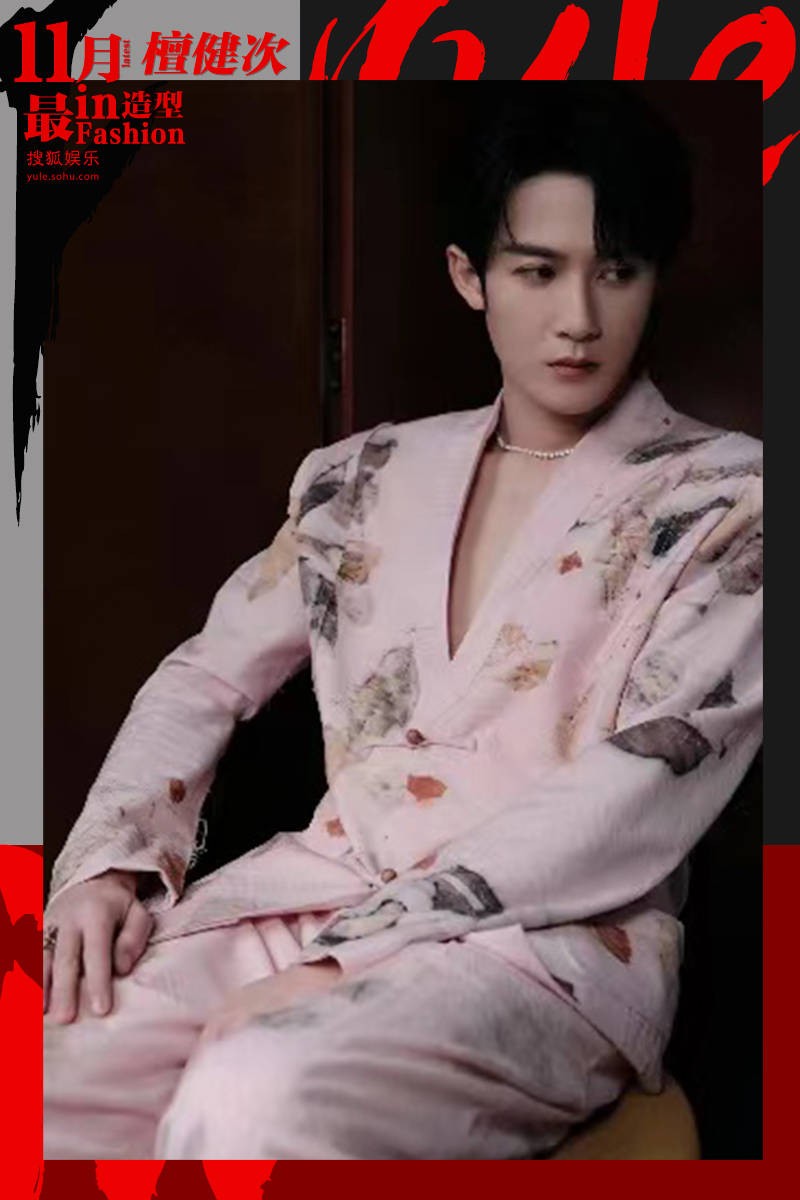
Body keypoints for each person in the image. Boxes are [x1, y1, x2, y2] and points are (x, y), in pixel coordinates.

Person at [44, 84, 763, 1160]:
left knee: (256, 1095)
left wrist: (351, 961)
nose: (578, 317)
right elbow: (206, 674)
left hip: (547, 941)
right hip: (314, 892)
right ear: (468, 277)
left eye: (616, 271)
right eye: (537, 271)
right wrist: (110, 864)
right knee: (42, 1077)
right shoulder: (361, 476)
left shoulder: (731, 498)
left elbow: (647, 779)